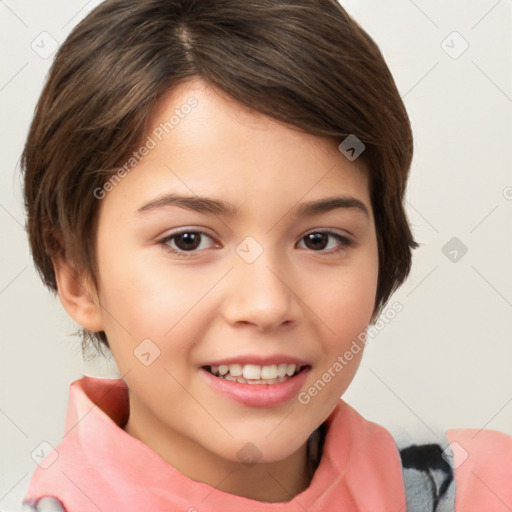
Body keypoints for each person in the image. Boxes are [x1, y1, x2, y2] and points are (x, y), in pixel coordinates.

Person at [19, 0, 512, 510]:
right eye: (188, 240)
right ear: (77, 276)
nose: (266, 304)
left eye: (320, 240)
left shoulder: (484, 490)